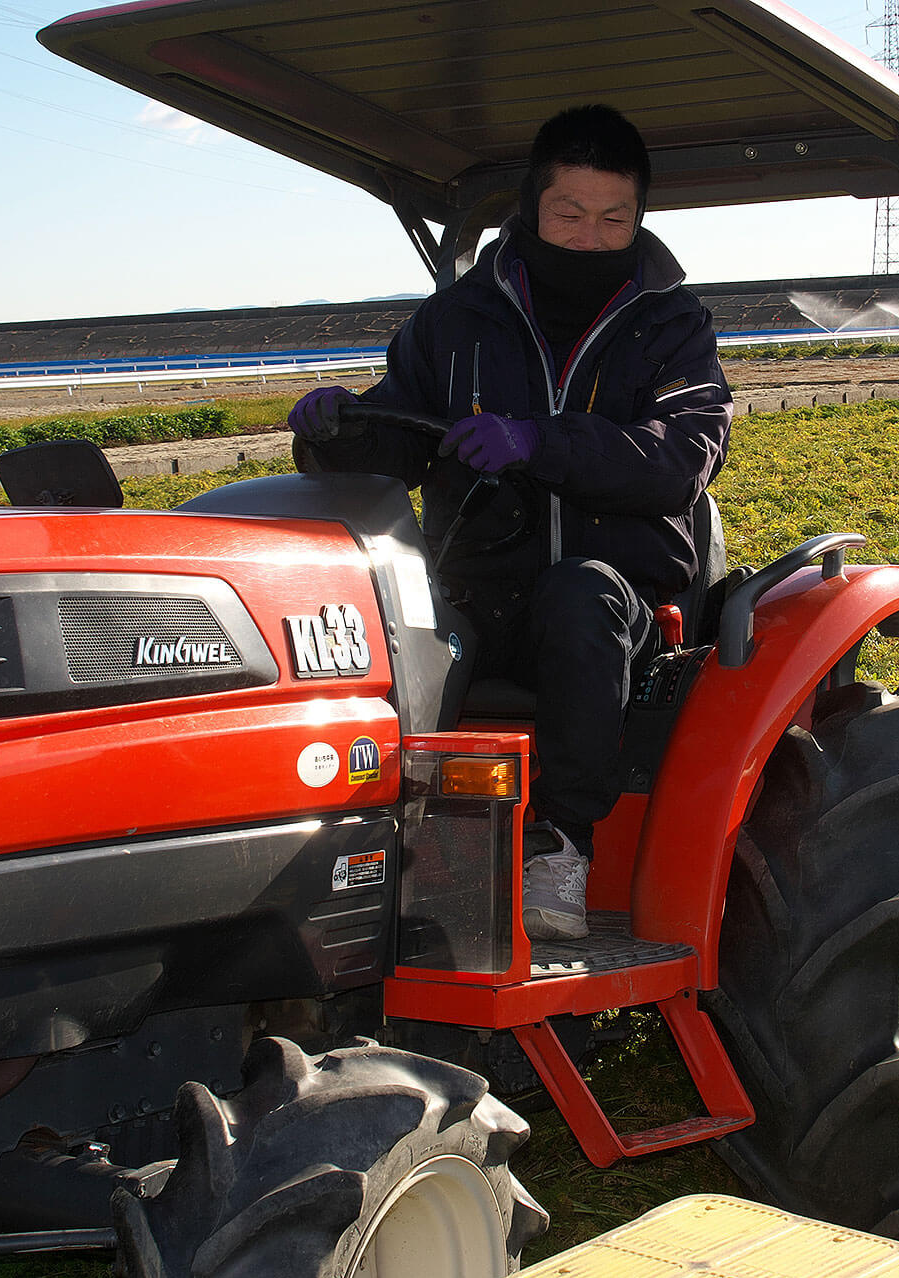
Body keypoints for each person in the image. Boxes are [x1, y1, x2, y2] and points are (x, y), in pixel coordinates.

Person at [287, 104, 732, 941]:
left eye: (615, 219)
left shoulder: (673, 325)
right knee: (360, 620)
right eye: (570, 214)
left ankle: (560, 849)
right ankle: (355, 851)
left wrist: (540, 441)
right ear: (533, 208)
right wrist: (337, 434)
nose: (591, 239)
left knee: (578, 594)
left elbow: (683, 455)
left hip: (620, 610)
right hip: (480, 592)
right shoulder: (456, 321)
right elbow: (402, 436)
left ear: (639, 216)